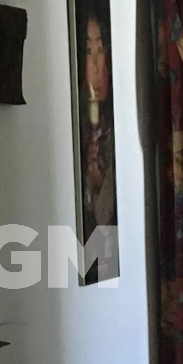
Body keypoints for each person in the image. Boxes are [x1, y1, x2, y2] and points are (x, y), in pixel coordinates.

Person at [79, 12, 116, 238]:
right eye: (88, 52)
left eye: (100, 51)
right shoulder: (76, 126)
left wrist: (101, 183)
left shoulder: (119, 124)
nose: (94, 66)